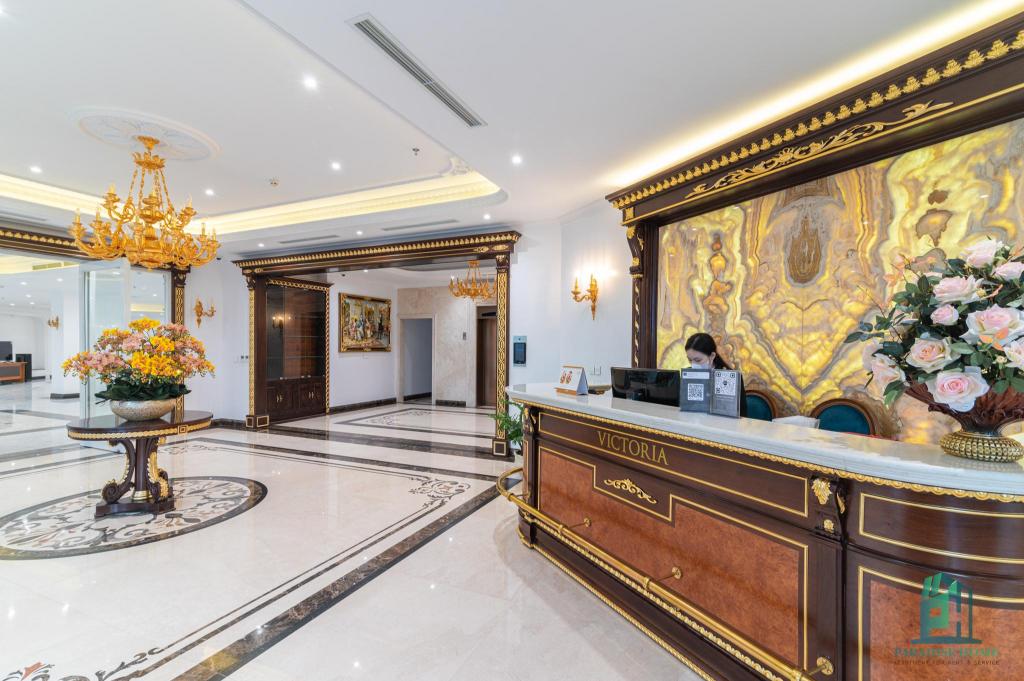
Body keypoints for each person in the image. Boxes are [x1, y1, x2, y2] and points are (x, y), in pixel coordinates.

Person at [684, 333, 747, 417]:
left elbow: (741, 414)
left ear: (712, 356)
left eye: (698, 360)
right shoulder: (688, 375)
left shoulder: (731, 378)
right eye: (690, 360)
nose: (693, 365)